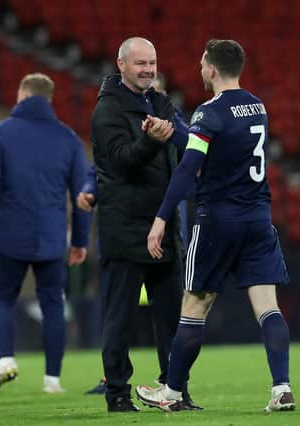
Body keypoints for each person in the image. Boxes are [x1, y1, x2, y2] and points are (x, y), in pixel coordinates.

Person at [135, 39, 293, 413]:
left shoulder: (210, 112)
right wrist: (174, 131)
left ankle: (171, 393)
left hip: (218, 220)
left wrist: (160, 218)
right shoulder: (258, 106)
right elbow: (222, 149)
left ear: (212, 69)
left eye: (202, 64)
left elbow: (191, 166)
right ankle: (282, 388)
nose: (200, 70)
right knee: (268, 307)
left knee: (194, 306)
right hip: (258, 218)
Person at [88, 36, 198, 412]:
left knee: (171, 316)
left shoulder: (161, 102)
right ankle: (117, 393)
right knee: (121, 318)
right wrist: (151, 142)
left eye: (152, 62)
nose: (148, 69)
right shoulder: (107, 111)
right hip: (126, 228)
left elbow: (183, 145)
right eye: (140, 63)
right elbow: (120, 162)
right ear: (121, 65)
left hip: (163, 226)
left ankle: (174, 390)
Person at [0, 73, 90, 396]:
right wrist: (79, 240)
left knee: (0, 299)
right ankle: (52, 379)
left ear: (23, 95)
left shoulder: (1, 134)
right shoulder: (68, 138)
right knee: (53, 304)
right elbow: (83, 195)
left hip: (9, 236)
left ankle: (5, 360)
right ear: (49, 99)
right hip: (52, 239)